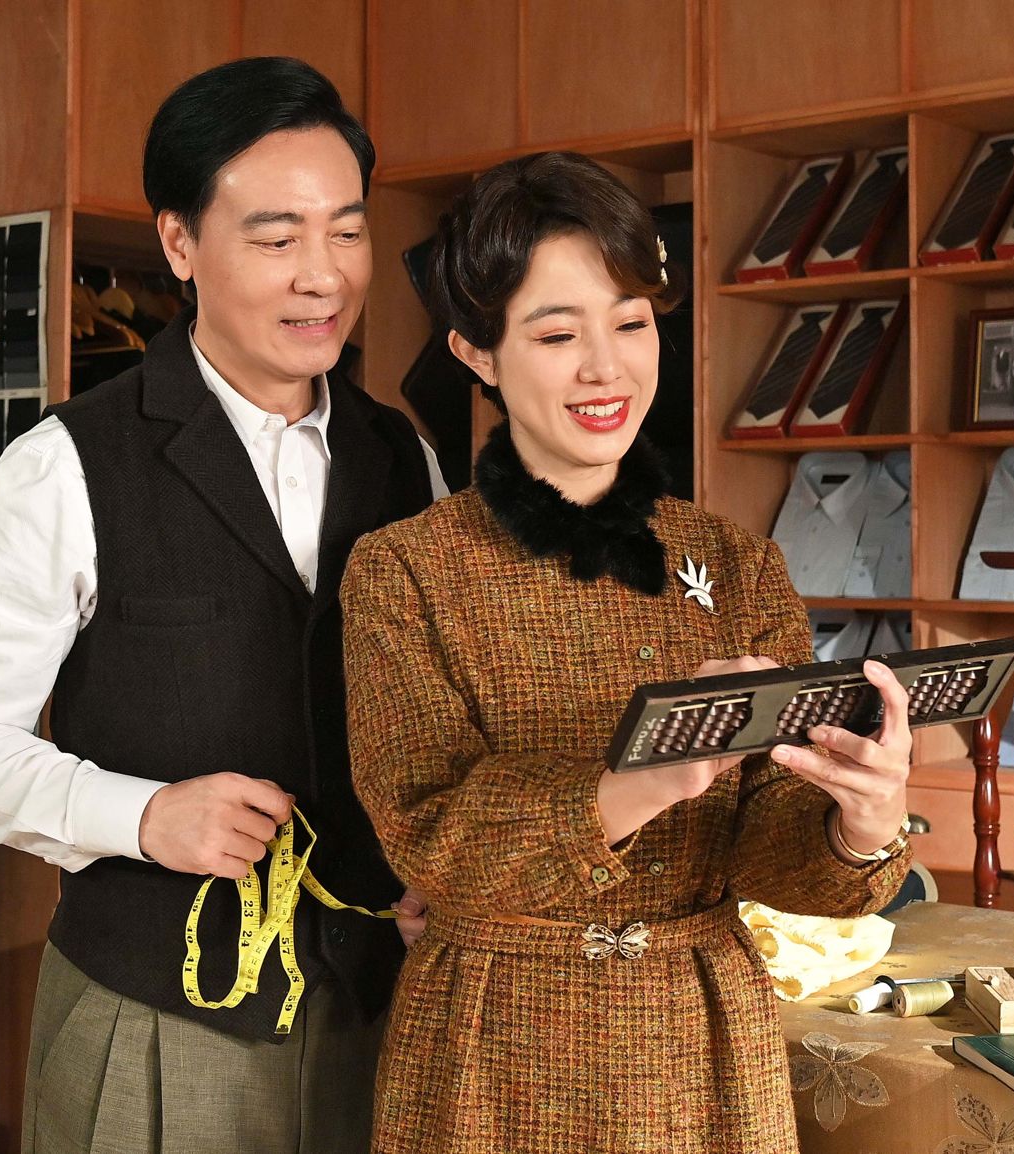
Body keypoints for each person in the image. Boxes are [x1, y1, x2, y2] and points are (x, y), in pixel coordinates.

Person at [0, 57, 446, 1154]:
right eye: (277, 238)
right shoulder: (67, 463)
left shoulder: (405, 457)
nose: (323, 276)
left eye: (346, 232)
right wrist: (143, 816)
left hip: (380, 1006)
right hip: (158, 1020)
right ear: (180, 243)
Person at [340, 151, 913, 1154]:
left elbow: (776, 854)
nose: (605, 368)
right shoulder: (405, 570)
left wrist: (860, 823)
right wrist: (638, 781)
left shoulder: (737, 563)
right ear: (477, 352)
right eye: (557, 333)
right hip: (490, 1047)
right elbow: (427, 836)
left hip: (701, 1038)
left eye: (632, 323)